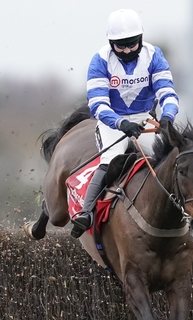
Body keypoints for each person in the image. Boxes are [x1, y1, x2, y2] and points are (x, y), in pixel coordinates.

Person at [70, 8, 180, 238]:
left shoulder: (154, 55)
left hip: (145, 118)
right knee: (111, 160)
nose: (128, 50)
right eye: (121, 45)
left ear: (141, 38)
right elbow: (98, 105)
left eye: (132, 44)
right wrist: (120, 123)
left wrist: (168, 116)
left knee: (170, 159)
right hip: (112, 121)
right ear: (110, 43)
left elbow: (167, 93)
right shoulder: (100, 61)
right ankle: (86, 212)